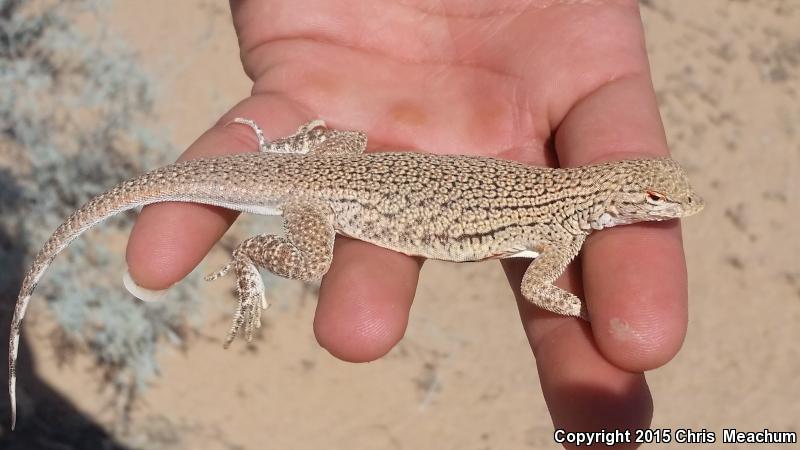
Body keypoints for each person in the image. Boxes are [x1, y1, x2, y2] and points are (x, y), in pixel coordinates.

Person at [126, 0, 687, 439]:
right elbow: (544, 287)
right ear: (623, 199)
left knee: (349, 142)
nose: (675, 210)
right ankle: (250, 257)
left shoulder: (557, 201)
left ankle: (296, 154)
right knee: (315, 260)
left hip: (335, 168)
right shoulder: (561, 230)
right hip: (320, 200)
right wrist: (580, 306)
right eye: (660, 200)